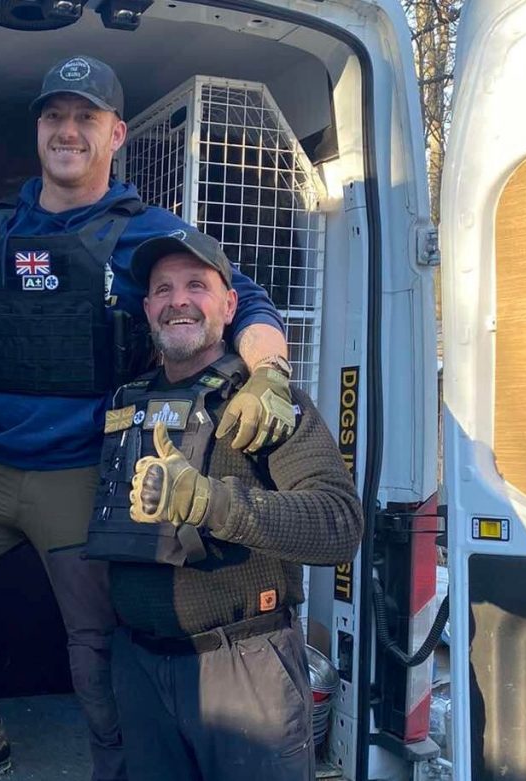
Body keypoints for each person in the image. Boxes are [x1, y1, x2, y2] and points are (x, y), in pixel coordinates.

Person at [0, 55, 295, 781]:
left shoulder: (150, 233)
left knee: (96, 657)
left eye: (85, 118)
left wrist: (271, 373)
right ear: (39, 128)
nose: (68, 131)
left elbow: (245, 301)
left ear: (116, 133)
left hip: (86, 477)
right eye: (54, 116)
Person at [86, 226, 364, 781]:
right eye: (163, 290)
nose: (179, 301)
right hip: (139, 670)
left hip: (245, 671)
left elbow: (340, 524)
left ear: (230, 303)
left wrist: (214, 504)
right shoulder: (127, 401)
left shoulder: (266, 404)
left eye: (197, 285)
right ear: (147, 308)